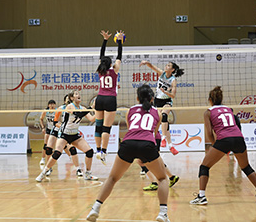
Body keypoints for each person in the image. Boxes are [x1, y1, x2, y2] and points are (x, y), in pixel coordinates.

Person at [87, 84, 170, 222]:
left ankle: (95, 208)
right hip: (147, 144)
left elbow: (132, 129)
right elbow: (153, 134)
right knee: (162, 179)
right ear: (152, 99)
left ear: (137, 97)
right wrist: (145, 157)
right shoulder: (157, 113)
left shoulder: (130, 110)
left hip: (128, 143)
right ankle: (163, 213)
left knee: (112, 178)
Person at [189, 86, 256, 205]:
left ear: (210, 100)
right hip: (239, 138)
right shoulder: (229, 109)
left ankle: (201, 196)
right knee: (245, 167)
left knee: (204, 167)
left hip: (224, 140)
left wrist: (215, 145)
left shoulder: (208, 112)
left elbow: (209, 133)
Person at [36, 90, 97, 182]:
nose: (78, 95)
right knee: (57, 153)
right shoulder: (70, 106)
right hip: (64, 134)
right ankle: (44, 172)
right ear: (72, 98)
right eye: (76, 94)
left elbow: (92, 119)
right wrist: (91, 107)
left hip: (75, 135)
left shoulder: (83, 108)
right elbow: (78, 115)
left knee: (89, 152)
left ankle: (88, 173)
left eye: (79, 94)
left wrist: (97, 111)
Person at [139, 60, 184, 155]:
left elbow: (173, 95)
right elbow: (152, 66)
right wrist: (146, 62)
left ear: (172, 70)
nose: (166, 66)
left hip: (167, 100)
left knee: (164, 116)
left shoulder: (173, 80)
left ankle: (163, 139)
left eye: (168, 66)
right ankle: (171, 145)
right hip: (157, 100)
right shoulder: (161, 74)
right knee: (162, 123)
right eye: (166, 65)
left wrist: (165, 92)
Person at [94, 30, 124, 165]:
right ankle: (104, 152)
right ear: (111, 63)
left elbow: (101, 55)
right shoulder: (114, 70)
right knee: (106, 128)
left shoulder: (101, 70)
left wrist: (105, 40)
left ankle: (98, 150)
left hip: (99, 98)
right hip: (110, 99)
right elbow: (119, 55)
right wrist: (119, 42)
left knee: (98, 126)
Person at [44, 95, 81, 177]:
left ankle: (78, 168)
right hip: (58, 128)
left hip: (67, 131)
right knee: (48, 148)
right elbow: (55, 122)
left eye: (70, 99)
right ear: (64, 101)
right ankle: (48, 168)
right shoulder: (61, 108)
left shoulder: (74, 108)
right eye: (67, 100)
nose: (69, 101)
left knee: (72, 149)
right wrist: (61, 126)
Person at [39, 100, 56, 166]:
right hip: (49, 129)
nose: (52, 106)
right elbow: (41, 119)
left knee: (62, 145)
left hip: (56, 129)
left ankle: (70, 157)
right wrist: (43, 127)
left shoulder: (57, 111)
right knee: (45, 145)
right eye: (50, 104)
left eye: (53, 104)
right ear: (48, 105)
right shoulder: (46, 111)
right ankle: (43, 159)